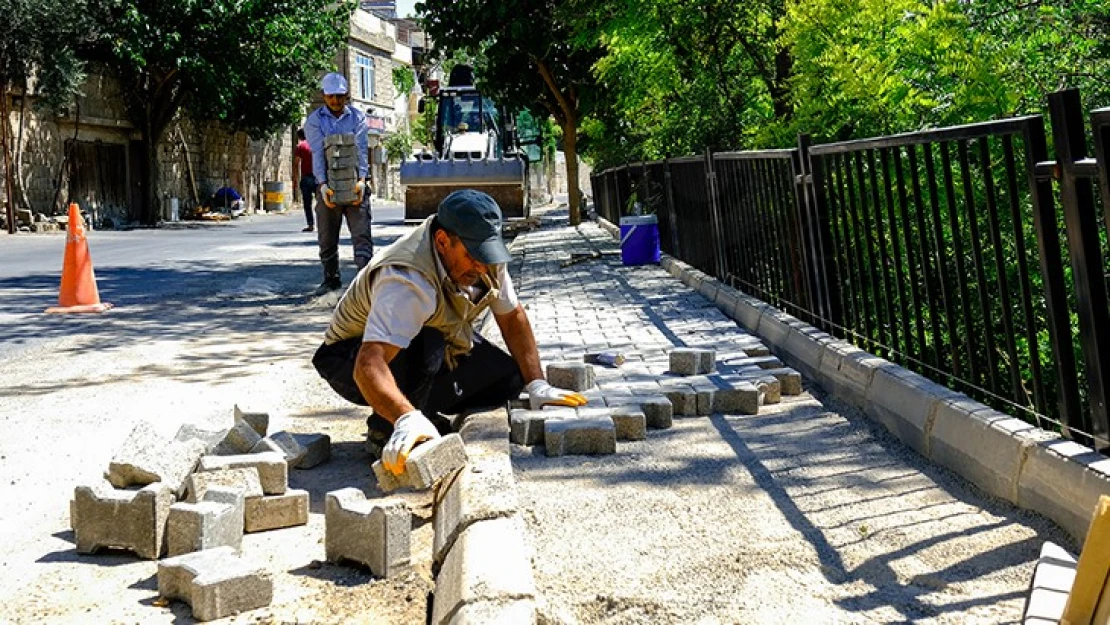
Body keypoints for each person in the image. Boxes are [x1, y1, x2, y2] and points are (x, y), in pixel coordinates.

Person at [311, 189, 588, 475]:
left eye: (487, 254)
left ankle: (422, 413)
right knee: (429, 340)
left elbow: (512, 318)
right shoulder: (407, 279)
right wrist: (405, 418)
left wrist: (537, 384)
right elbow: (369, 364)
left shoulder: (486, 258)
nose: (481, 266)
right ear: (443, 241)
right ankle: (388, 427)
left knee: (508, 380)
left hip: (424, 342)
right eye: (472, 256)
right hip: (349, 359)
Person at [303, 72, 372, 296]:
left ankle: (364, 283)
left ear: (347, 96)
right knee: (326, 235)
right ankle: (330, 278)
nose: (335, 101)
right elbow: (317, 153)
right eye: (331, 96)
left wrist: (362, 180)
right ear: (324, 96)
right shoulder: (314, 121)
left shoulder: (358, 118)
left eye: (340, 96)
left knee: (362, 235)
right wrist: (322, 185)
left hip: (354, 184)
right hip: (328, 185)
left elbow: (361, 150)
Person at [293, 128, 315, 233]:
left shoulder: (300, 146)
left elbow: (296, 163)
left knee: (307, 203)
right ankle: (325, 224)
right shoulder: (316, 144)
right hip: (318, 177)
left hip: (306, 177)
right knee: (322, 202)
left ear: (299, 137)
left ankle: (310, 224)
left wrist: (295, 178)